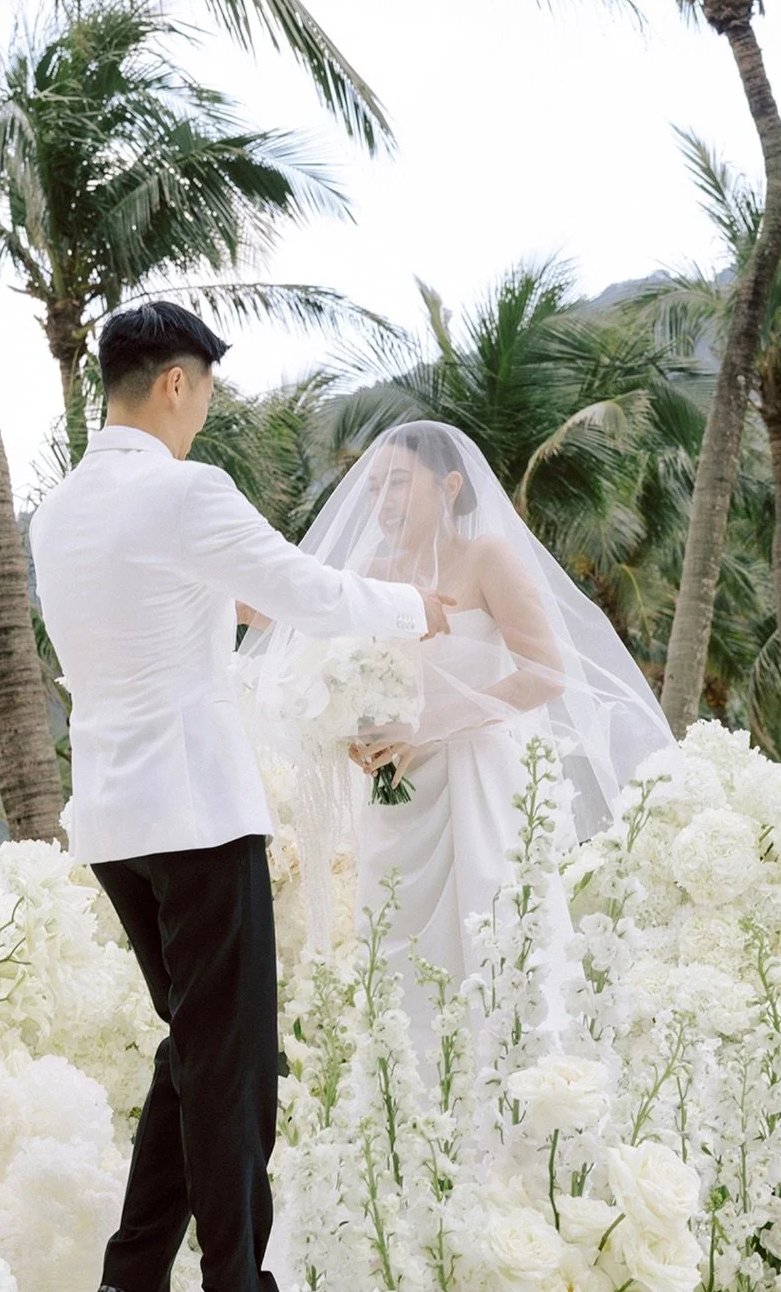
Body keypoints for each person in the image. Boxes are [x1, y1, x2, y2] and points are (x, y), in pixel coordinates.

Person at [29, 304, 452, 1292]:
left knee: (197, 1042)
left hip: (116, 818)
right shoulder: (183, 491)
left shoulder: (63, 512)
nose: (207, 410)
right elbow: (304, 590)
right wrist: (417, 607)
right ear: (175, 383)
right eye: (207, 389)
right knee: (237, 1061)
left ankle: (132, 1283)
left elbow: (181, 614)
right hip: (197, 811)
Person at [239, 420, 677, 1057]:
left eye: (397, 484)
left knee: (494, 936)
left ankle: (519, 1092)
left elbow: (546, 673)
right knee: (399, 946)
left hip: (480, 781)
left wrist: (428, 726)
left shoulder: (487, 558)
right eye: (373, 489)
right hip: (395, 794)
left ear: (447, 486)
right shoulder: (371, 572)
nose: (382, 501)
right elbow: (296, 614)